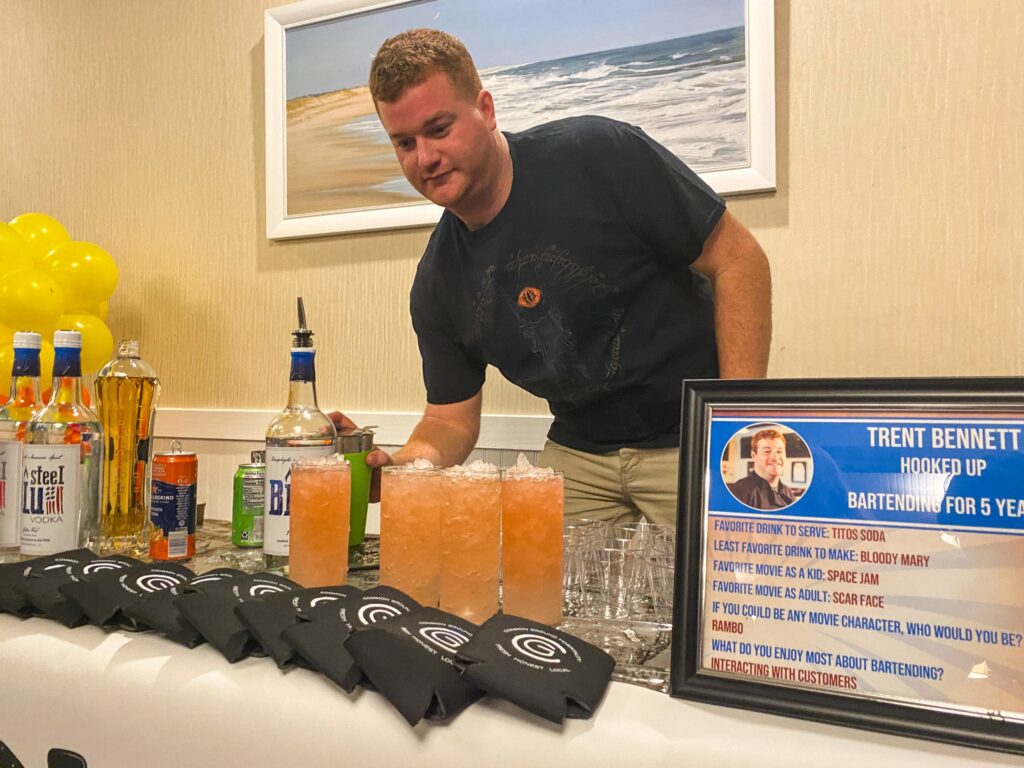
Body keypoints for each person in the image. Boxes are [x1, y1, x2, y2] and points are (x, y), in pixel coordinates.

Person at [332, 28, 772, 527]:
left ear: (486, 109)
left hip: (695, 438)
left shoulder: (597, 153)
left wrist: (740, 426)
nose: (425, 158)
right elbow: (447, 421)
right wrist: (404, 469)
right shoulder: (436, 281)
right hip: (578, 455)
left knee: (723, 599)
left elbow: (739, 260)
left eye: (439, 128)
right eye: (404, 143)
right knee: (540, 596)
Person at [727, 429, 797, 510]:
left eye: (779, 451)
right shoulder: (741, 491)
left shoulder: (787, 492)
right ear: (753, 455)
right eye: (767, 451)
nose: (775, 458)